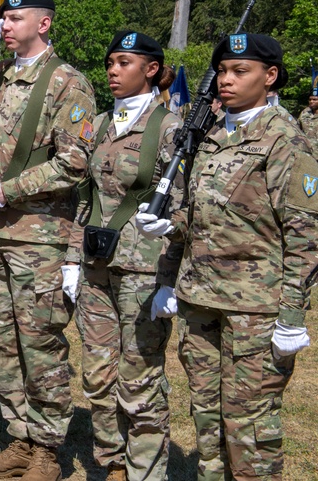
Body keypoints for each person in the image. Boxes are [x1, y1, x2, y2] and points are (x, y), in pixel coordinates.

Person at [138, 33, 318, 481]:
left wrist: (292, 315)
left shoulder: (285, 142)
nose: (227, 80)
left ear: (270, 76)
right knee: (207, 421)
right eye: (222, 71)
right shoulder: (210, 133)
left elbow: (305, 236)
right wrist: (169, 240)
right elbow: (201, 215)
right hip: (201, 299)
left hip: (254, 309)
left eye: (241, 71)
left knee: (250, 429)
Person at [0, 0, 96, 481]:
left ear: (44, 24)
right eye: (2, 20)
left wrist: (7, 191)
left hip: (39, 236)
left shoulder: (67, 82)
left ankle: (49, 451)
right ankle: (19, 438)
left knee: (40, 344)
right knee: (2, 343)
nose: (5, 26)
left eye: (14, 18)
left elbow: (74, 162)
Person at [71, 31, 182, 481]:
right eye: (110, 62)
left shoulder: (171, 128)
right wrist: (69, 259)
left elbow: (183, 207)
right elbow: (83, 196)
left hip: (145, 270)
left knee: (139, 378)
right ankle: (110, 463)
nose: (113, 71)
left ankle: (146, 471)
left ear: (151, 69)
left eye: (124, 63)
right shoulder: (98, 125)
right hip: (96, 264)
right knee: (97, 376)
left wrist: (171, 280)